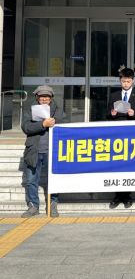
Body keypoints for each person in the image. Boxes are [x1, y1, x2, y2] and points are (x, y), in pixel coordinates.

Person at [21, 85, 66, 218]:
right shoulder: (30, 109)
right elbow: (26, 127)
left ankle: (53, 204)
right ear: (37, 97)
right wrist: (42, 125)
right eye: (41, 97)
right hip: (33, 150)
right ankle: (33, 206)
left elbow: (65, 124)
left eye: (47, 97)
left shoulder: (58, 109)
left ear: (51, 98)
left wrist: (55, 122)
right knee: (31, 180)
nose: (44, 99)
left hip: (52, 150)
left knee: (54, 178)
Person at [107, 67, 135, 209]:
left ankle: (127, 195)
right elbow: (106, 113)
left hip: (132, 133)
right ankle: (117, 195)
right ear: (120, 81)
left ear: (133, 81)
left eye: (128, 81)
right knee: (117, 164)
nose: (126, 84)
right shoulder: (114, 95)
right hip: (117, 133)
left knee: (130, 164)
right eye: (123, 81)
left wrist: (134, 113)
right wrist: (111, 113)